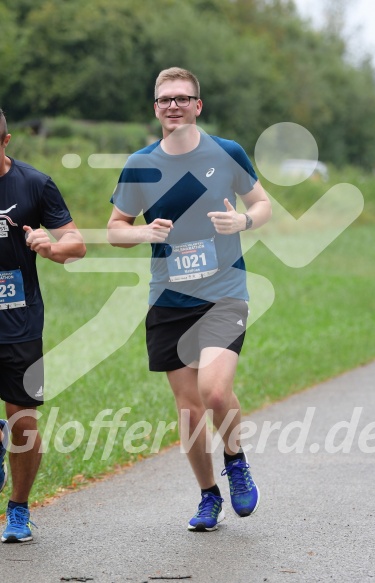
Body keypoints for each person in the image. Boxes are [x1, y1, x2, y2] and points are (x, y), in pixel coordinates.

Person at [107, 67, 272, 531]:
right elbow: (116, 229)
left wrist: (243, 223)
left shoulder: (227, 152)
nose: (173, 105)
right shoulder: (141, 164)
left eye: (183, 98)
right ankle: (208, 496)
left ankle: (236, 461)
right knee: (190, 412)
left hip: (223, 295)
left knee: (214, 391)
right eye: (165, 99)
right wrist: (144, 230)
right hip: (169, 299)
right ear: (155, 107)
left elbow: (262, 204)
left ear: (198, 105)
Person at [0, 108, 86, 542]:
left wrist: (50, 248)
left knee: (22, 421)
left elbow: (78, 245)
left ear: (6, 141)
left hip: (19, 321)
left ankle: (18, 509)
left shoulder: (34, 184)